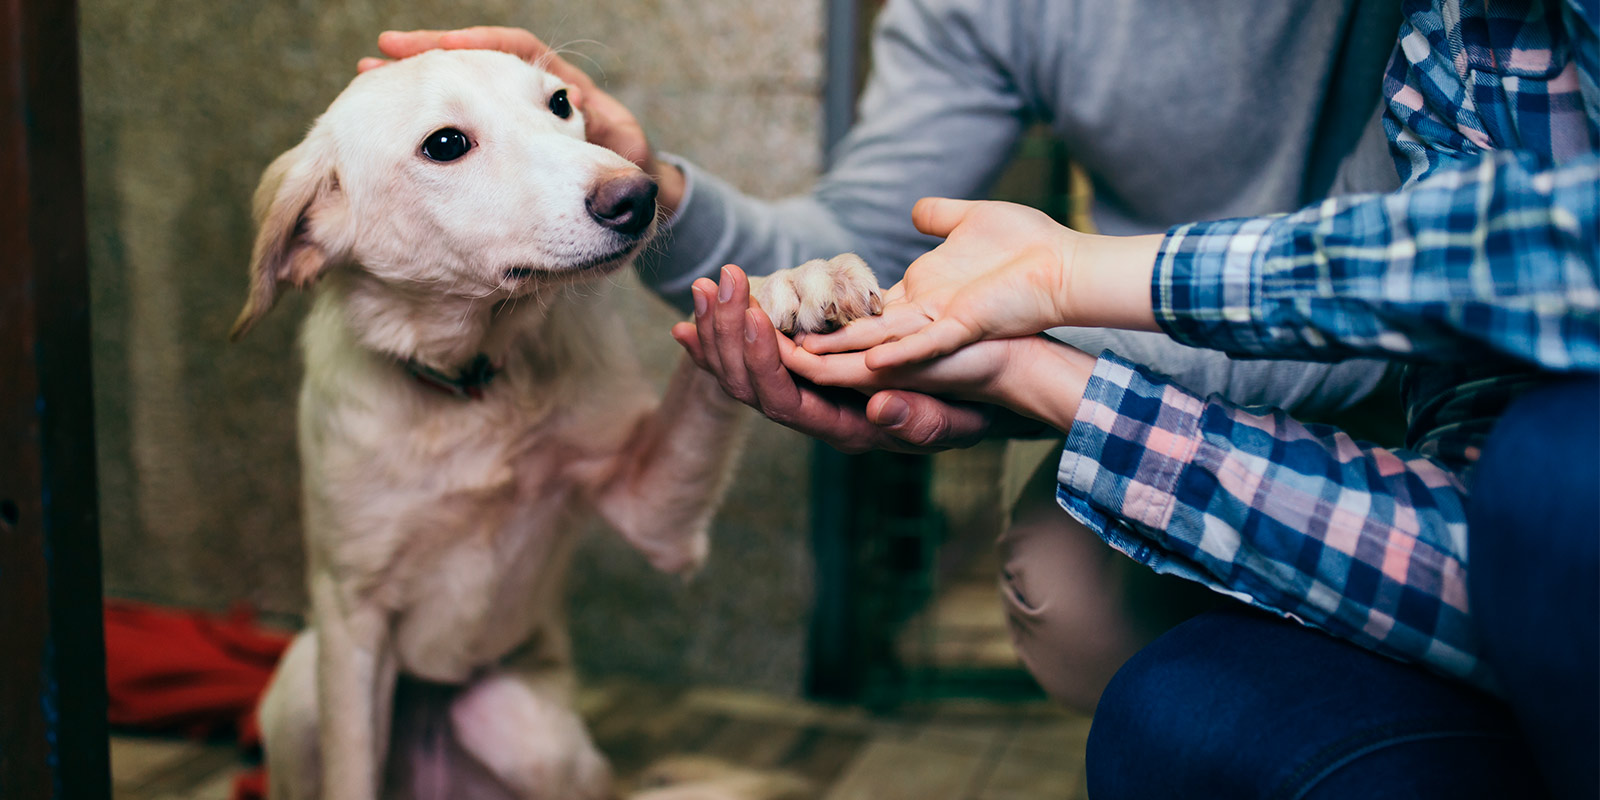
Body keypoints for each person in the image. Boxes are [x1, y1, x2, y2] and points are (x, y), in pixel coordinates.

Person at [371, 0, 1406, 709]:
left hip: (1460, 355)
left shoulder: (1457, 37)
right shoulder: (978, 13)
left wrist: (1034, 358)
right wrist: (651, 192)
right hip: (1159, 345)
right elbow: (854, 244)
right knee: (1070, 598)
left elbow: (1424, 272)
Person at [763, 0, 1598, 793]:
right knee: (1162, 713)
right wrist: (1028, 374)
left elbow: (1524, 253)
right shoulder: (1451, 32)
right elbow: (1490, 548)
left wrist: (1074, 280)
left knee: (1551, 471)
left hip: (1377, 386)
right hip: (1493, 504)